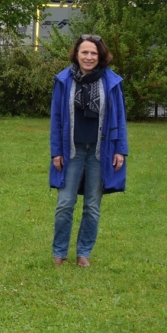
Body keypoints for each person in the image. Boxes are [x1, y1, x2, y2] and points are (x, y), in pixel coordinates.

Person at [49, 34, 128, 267]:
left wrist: (120, 150)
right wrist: (56, 152)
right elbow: (56, 119)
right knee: (65, 203)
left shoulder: (111, 82)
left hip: (99, 152)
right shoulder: (64, 80)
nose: (89, 57)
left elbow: (120, 118)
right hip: (71, 151)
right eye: (84, 52)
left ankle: (84, 253)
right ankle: (59, 252)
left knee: (92, 206)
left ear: (100, 55)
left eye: (94, 53)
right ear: (76, 54)